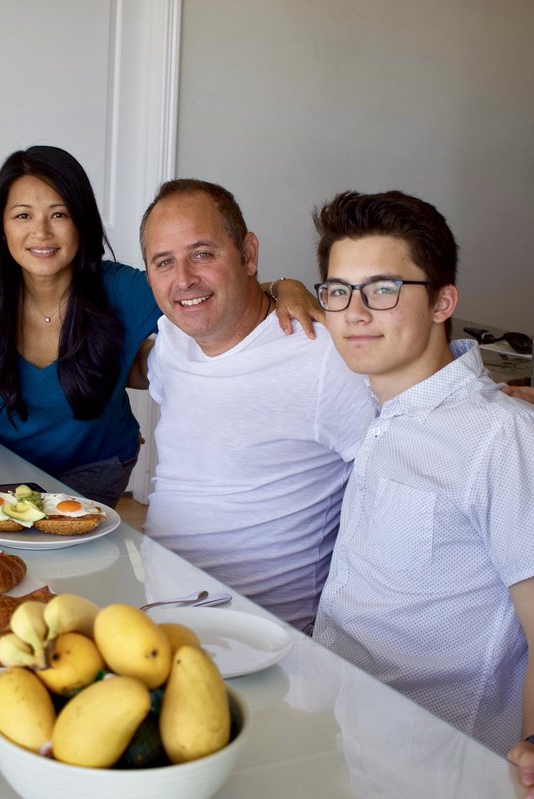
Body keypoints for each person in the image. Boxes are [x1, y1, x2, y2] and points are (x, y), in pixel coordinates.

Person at [309, 190, 534, 799]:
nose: (355, 312)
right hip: (335, 733)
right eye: (338, 291)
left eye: (384, 289)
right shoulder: (378, 407)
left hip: (429, 767)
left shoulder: (507, 439)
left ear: (443, 301)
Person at [0, 146, 323, 506]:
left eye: (59, 214)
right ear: (2, 226)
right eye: (22, 215)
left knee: (79, 570)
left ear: (81, 223)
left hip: (95, 467)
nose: (42, 233)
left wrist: (283, 285)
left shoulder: (123, 289)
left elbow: (205, 290)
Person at [137, 179, 375, 631]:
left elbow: (411, 455)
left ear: (248, 254)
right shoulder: (172, 342)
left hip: (264, 639)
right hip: (158, 614)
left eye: (203, 253)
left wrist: (487, 402)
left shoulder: (321, 354)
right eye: (163, 262)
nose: (184, 278)